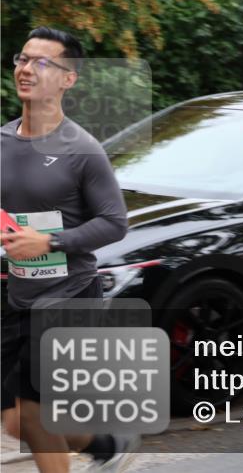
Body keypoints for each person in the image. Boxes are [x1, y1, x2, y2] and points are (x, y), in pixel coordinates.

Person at [1, 27, 135, 472]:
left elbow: (115, 223)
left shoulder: (82, 149)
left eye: (42, 63)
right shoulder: (2, 141)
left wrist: (51, 241)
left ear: (67, 79)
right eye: (22, 59)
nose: (25, 69)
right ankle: (103, 442)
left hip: (70, 294)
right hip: (15, 295)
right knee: (16, 422)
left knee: (37, 417)